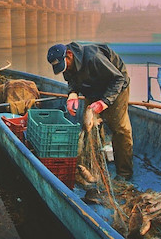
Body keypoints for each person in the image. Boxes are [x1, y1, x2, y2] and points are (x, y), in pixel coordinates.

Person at [46, 42, 133, 179]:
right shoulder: (67, 64)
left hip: (115, 88)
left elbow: (118, 79)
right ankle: (97, 165)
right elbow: (70, 79)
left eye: (64, 65)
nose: (64, 69)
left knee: (120, 129)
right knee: (89, 127)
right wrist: (73, 94)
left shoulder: (94, 58)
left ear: (69, 54)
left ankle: (124, 173)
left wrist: (104, 102)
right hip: (92, 89)